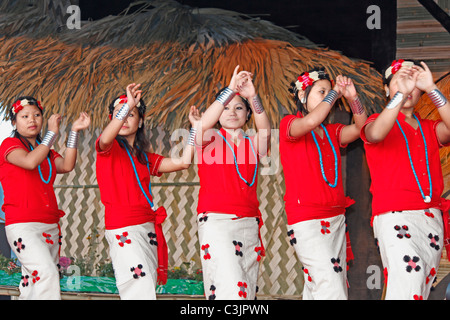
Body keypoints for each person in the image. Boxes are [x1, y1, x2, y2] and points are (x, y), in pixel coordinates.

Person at [95, 83, 200, 300]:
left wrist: (195, 130)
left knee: (146, 286)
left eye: (131, 114)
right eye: (119, 114)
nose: (124, 119)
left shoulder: (143, 157)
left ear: (141, 120)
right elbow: (106, 138)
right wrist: (128, 105)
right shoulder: (108, 149)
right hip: (123, 225)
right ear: (111, 119)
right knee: (138, 285)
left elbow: (183, 162)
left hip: (146, 226)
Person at [361, 59, 450, 299]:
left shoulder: (430, 127)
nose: (408, 87)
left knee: (418, 288)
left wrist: (432, 87)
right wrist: (400, 93)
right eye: (399, 81)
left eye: (413, 83)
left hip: (431, 219)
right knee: (408, 282)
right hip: (395, 216)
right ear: (386, 89)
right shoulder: (375, 122)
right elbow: (376, 133)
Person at [279, 67, 367, 299]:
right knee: (330, 285)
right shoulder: (290, 124)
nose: (330, 97)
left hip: (335, 219)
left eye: (330, 93)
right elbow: (313, 119)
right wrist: (335, 92)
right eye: (321, 91)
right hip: (307, 220)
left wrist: (353, 97)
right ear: (302, 96)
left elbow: (361, 128)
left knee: (323, 286)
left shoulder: (332, 132)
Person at [0, 96, 90, 299]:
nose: (32, 120)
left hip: (49, 224)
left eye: (37, 115)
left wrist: (74, 131)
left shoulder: (46, 151)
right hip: (23, 225)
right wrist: (51, 134)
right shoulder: (9, 145)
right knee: (46, 274)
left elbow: (66, 165)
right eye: (24, 116)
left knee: (34, 281)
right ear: (14, 122)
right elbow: (30, 162)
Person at [194, 66, 270, 300]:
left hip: (248, 221)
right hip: (217, 220)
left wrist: (253, 97)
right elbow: (201, 125)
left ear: (248, 114)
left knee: (245, 286)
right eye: (226, 107)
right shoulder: (206, 139)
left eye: (239, 108)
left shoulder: (252, 143)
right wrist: (229, 89)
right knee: (229, 284)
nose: (232, 112)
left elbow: (265, 130)